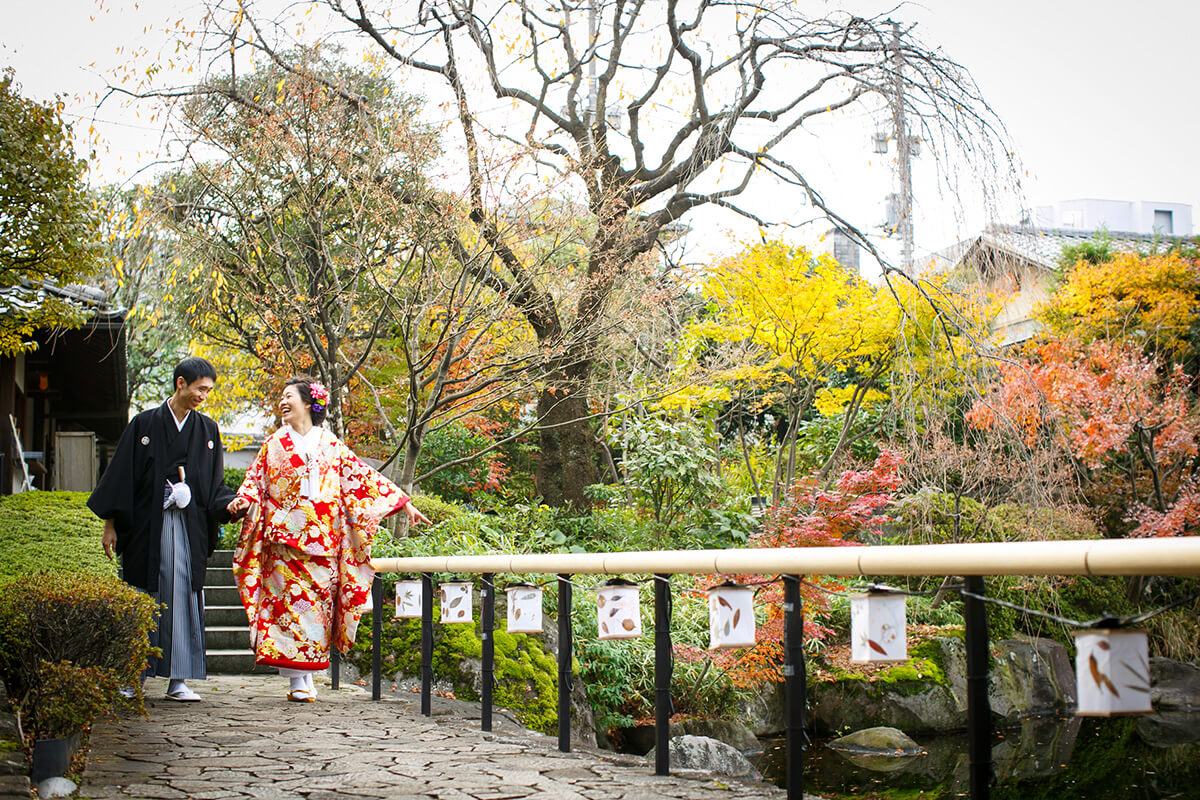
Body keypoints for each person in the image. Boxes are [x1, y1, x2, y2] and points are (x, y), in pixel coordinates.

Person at [228, 376, 429, 701]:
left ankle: (305, 675)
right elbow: (255, 481)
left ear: (308, 403)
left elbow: (361, 478)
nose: (282, 401)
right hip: (284, 546)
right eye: (281, 396)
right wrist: (244, 500)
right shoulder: (274, 444)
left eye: (288, 395)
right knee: (287, 612)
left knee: (316, 614)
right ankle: (297, 681)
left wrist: (403, 502)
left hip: (323, 545)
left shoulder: (330, 444)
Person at [88, 356, 240, 702]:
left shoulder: (207, 430)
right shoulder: (144, 424)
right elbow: (122, 477)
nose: (204, 395)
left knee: (185, 597)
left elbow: (214, 486)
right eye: (200, 388)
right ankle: (131, 676)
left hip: (188, 529)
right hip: (147, 527)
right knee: (143, 597)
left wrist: (228, 503)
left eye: (209, 390)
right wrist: (111, 525)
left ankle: (179, 680)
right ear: (181, 383)